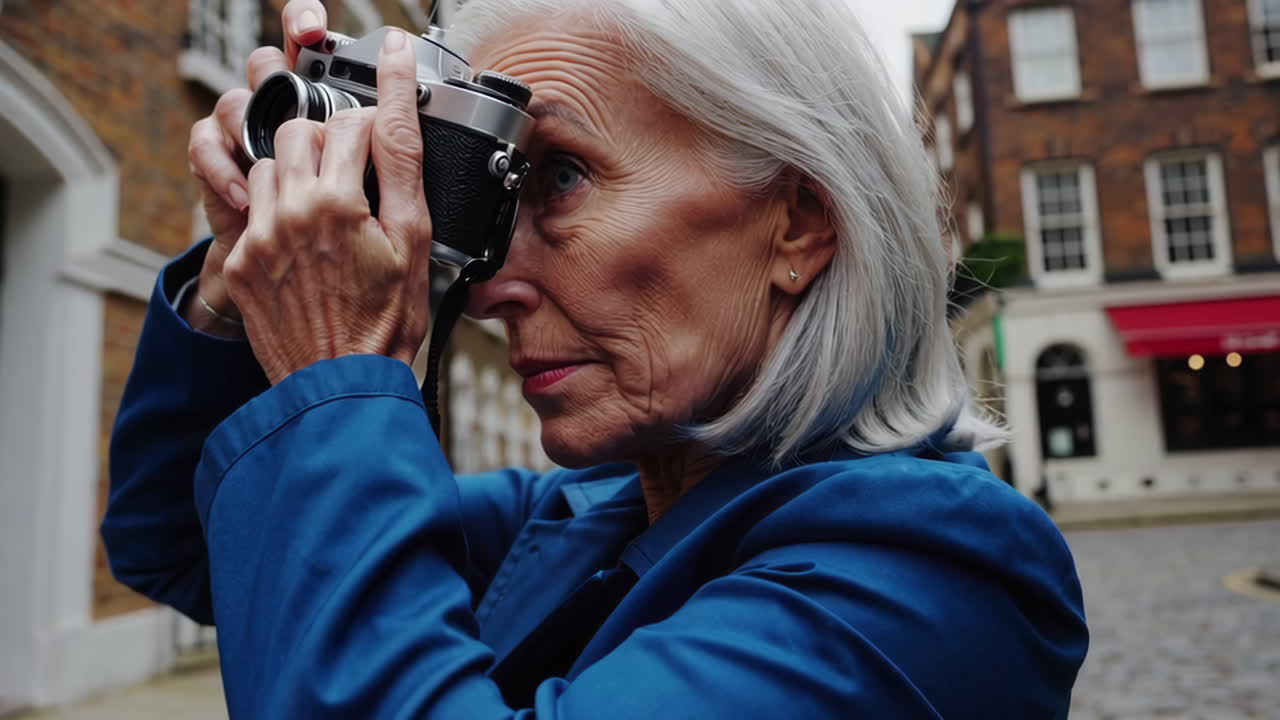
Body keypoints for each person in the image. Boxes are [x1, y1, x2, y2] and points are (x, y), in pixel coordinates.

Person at [102, 0, 1089, 716]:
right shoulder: (586, 519)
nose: (488, 286)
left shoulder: (934, 577)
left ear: (797, 225)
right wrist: (238, 278)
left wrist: (337, 374)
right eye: (492, 205)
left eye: (560, 178)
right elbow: (184, 540)